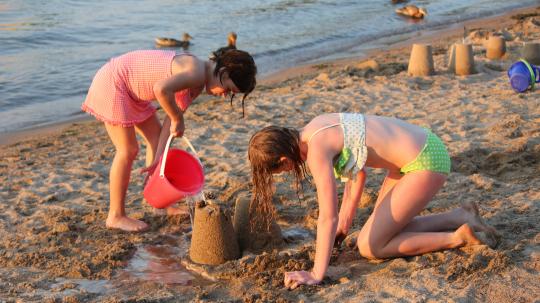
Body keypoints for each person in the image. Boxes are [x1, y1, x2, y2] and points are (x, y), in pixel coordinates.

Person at [248, 113, 498, 289]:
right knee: (380, 232)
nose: (287, 173)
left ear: (283, 161)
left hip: (425, 162)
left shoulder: (316, 152)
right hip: (418, 150)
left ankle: (456, 237)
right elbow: (357, 175)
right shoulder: (316, 126)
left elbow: (326, 216)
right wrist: (344, 226)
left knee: (371, 246)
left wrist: (316, 273)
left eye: (281, 171)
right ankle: (461, 216)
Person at [82, 48, 257, 232]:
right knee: (128, 150)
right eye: (228, 89)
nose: (224, 95)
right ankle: (115, 216)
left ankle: (159, 203)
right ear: (223, 72)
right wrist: (177, 118)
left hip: (131, 91)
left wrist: (159, 156)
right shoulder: (196, 71)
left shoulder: (197, 82)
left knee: (158, 140)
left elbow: (169, 123)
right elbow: (161, 89)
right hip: (114, 83)